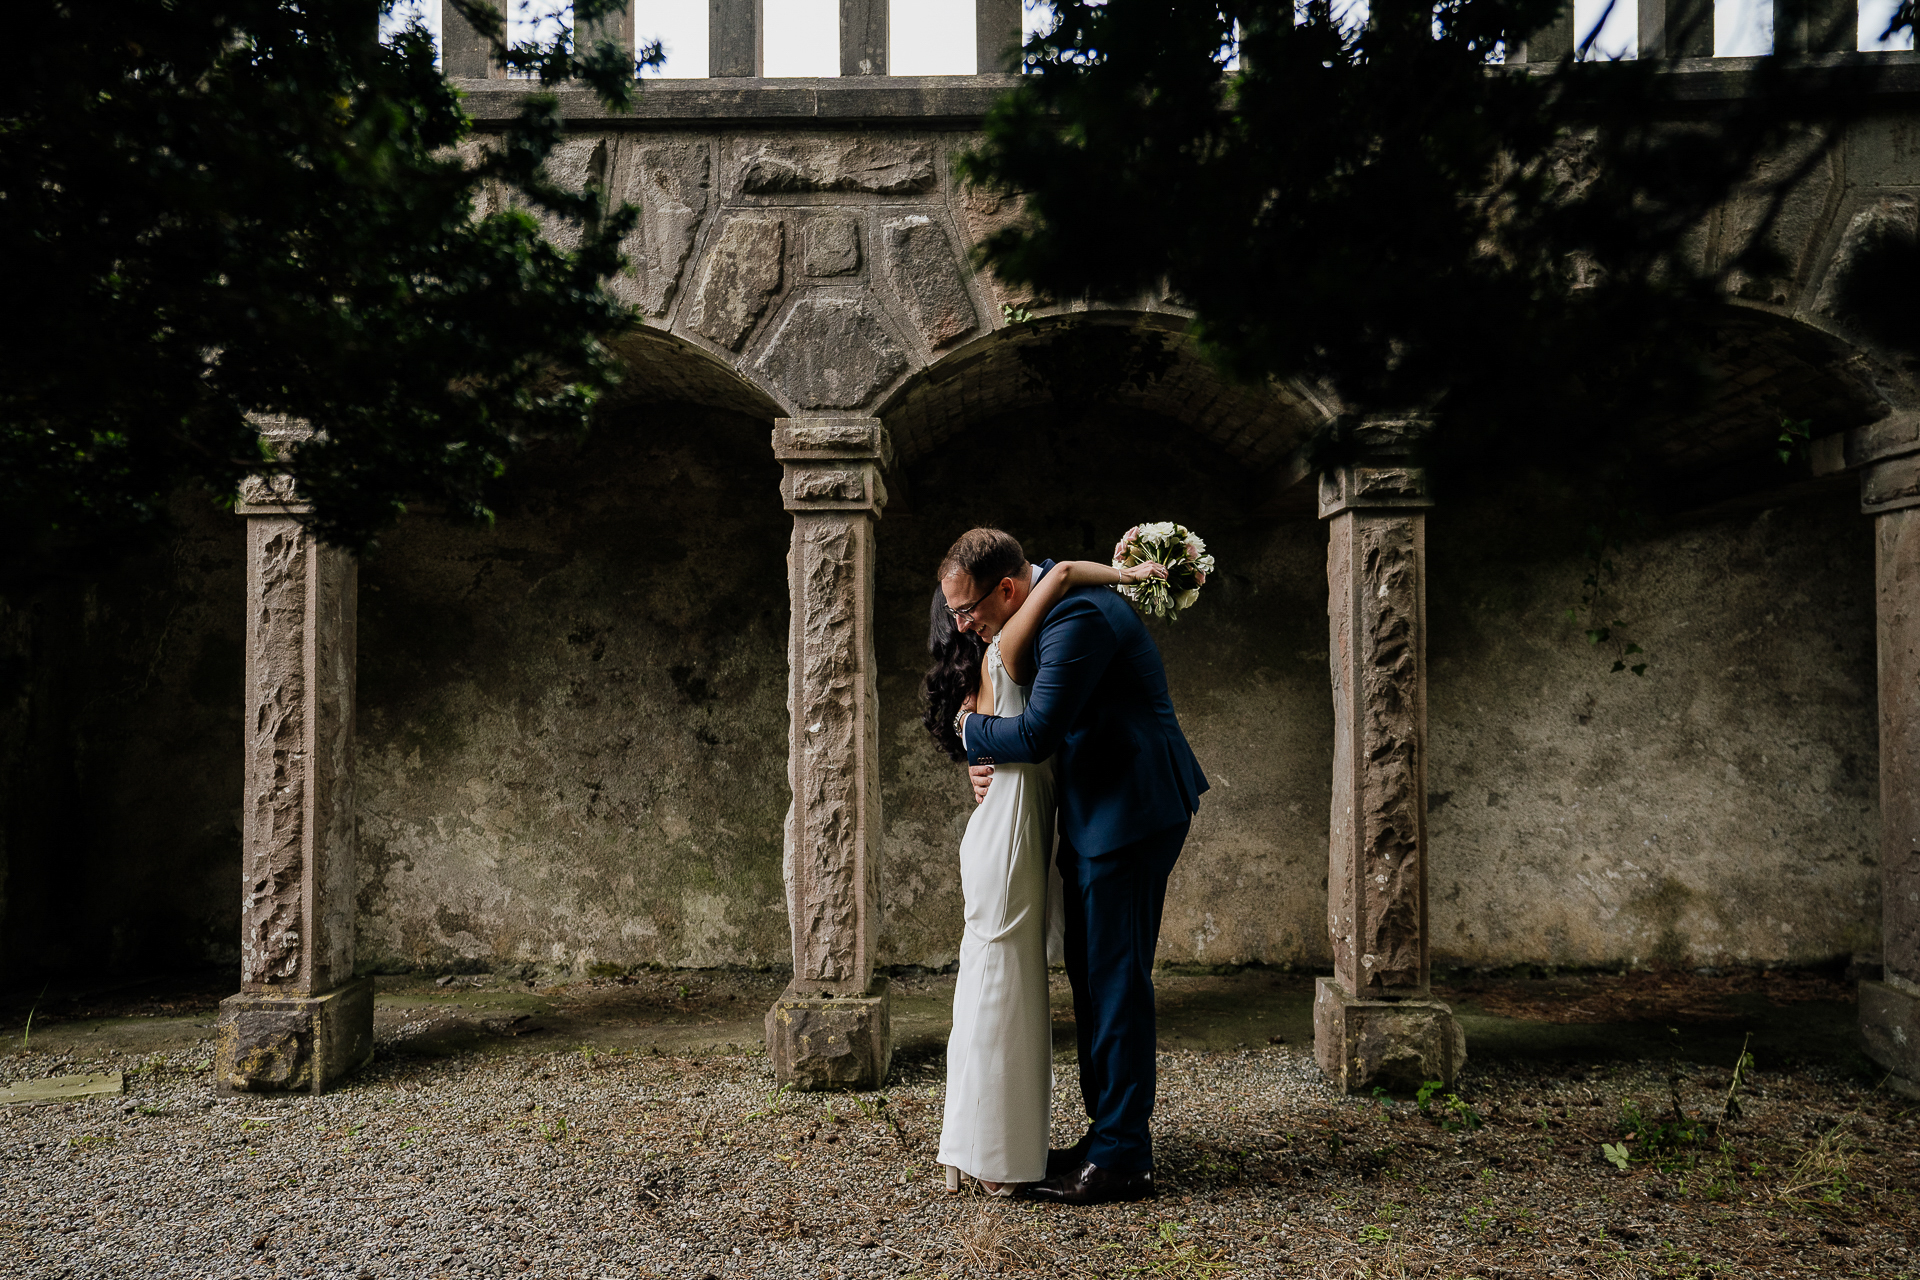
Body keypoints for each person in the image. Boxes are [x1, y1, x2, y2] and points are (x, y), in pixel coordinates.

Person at [941, 527, 1208, 1205]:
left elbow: (1034, 736)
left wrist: (967, 730)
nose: (965, 626)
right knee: (1093, 975)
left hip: (1132, 809)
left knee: (1115, 981)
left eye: (970, 611)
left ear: (1007, 588)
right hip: (1099, 807)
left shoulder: (1078, 617)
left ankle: (1123, 1156)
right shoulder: (1046, 605)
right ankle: (1108, 1134)